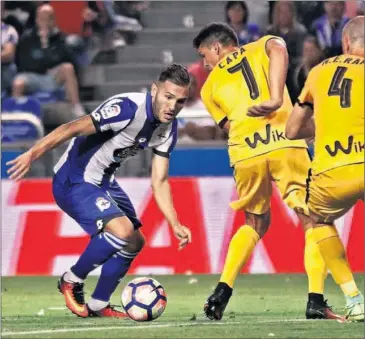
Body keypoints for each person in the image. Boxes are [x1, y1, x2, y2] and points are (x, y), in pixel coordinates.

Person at [6, 64, 192, 318]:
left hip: (104, 181)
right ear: (154, 90)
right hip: (74, 178)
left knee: (135, 241)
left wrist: (175, 222)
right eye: (168, 97)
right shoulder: (127, 108)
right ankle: (71, 280)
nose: (172, 106)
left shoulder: (168, 128)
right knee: (122, 231)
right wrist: (32, 154)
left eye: (180, 101)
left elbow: (159, 181)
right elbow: (71, 128)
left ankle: (97, 304)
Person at [192, 23, 343, 321]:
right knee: (313, 220)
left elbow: (229, 127)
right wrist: (276, 97)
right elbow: (279, 48)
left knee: (255, 222)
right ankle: (315, 300)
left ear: (218, 47)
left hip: (245, 151)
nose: (204, 63)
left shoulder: (209, 87)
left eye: (203, 54)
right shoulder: (264, 43)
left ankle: (222, 291)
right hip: (285, 142)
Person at [286, 16, 364, 322]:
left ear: (345, 43)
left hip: (330, 170)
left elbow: (292, 130)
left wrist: (323, 127)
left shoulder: (318, 71)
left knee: (317, 222)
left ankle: (354, 298)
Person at [12, 4, 85, 117]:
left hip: (52, 76)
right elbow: (24, 63)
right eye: (42, 18)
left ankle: (75, 106)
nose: (45, 22)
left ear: (53, 20)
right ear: (37, 20)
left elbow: (68, 60)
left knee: (67, 68)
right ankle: (16, 114)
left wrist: (46, 44)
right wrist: (45, 57)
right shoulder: (27, 38)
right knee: (18, 83)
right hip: (32, 76)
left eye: (49, 19)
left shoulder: (60, 38)